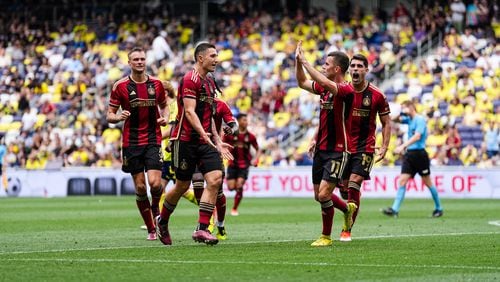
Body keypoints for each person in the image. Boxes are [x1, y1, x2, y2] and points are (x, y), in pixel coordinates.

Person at [299, 49, 391, 242]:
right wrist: (315, 138)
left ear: (366, 70)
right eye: (354, 66)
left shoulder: (370, 94)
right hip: (341, 146)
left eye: (359, 66)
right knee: (337, 191)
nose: (356, 69)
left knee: (352, 184)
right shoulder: (337, 88)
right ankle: (346, 209)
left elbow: (387, 123)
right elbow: (327, 117)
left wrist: (384, 146)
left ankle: (344, 230)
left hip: (362, 147)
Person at [155, 42, 232, 246]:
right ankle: (162, 221)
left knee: (215, 179)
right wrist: (203, 135)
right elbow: (189, 112)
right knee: (182, 185)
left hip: (205, 140)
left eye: (217, 56)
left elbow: (210, 116)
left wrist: (217, 140)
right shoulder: (190, 79)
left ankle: (202, 228)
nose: (217, 59)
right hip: (186, 140)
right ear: (201, 58)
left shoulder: (209, 82)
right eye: (213, 56)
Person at [295, 41, 357, 247]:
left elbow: (321, 80)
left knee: (324, 194)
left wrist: (306, 61)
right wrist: (298, 63)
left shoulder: (346, 89)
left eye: (326, 63)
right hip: (321, 148)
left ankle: (326, 236)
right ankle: (347, 209)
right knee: (318, 196)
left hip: (338, 150)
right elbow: (302, 82)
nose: (323, 66)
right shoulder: (324, 89)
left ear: (337, 69)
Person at [106, 47, 168, 241]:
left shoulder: (157, 84)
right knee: (141, 188)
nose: (140, 62)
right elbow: (109, 114)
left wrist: (164, 118)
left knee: (155, 183)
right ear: (129, 63)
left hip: (152, 138)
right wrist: (117, 117)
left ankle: (156, 206)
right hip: (131, 142)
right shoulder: (120, 86)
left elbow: (165, 105)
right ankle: (151, 228)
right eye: (136, 59)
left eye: (142, 59)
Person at [382, 100, 443, 217]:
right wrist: (401, 112)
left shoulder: (419, 120)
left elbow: (417, 136)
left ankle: (439, 208)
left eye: (405, 107)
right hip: (410, 155)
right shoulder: (409, 119)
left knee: (428, 182)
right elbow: (393, 119)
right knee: (402, 181)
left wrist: (403, 146)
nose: (404, 109)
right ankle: (394, 209)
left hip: (420, 154)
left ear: (411, 107)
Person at [191, 97, 239, 240]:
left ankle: (220, 225)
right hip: (194, 148)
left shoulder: (220, 105)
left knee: (218, 191)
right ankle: (206, 223)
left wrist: (231, 130)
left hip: (213, 149)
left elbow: (234, 125)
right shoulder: (191, 102)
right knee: (198, 185)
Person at [223, 113, 260, 217]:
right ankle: (239, 190)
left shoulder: (250, 136)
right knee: (231, 187)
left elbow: (258, 149)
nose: (246, 122)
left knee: (239, 185)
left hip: (244, 165)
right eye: (244, 120)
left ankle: (234, 209)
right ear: (238, 121)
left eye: (246, 120)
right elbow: (222, 142)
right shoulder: (232, 134)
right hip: (232, 164)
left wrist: (255, 159)